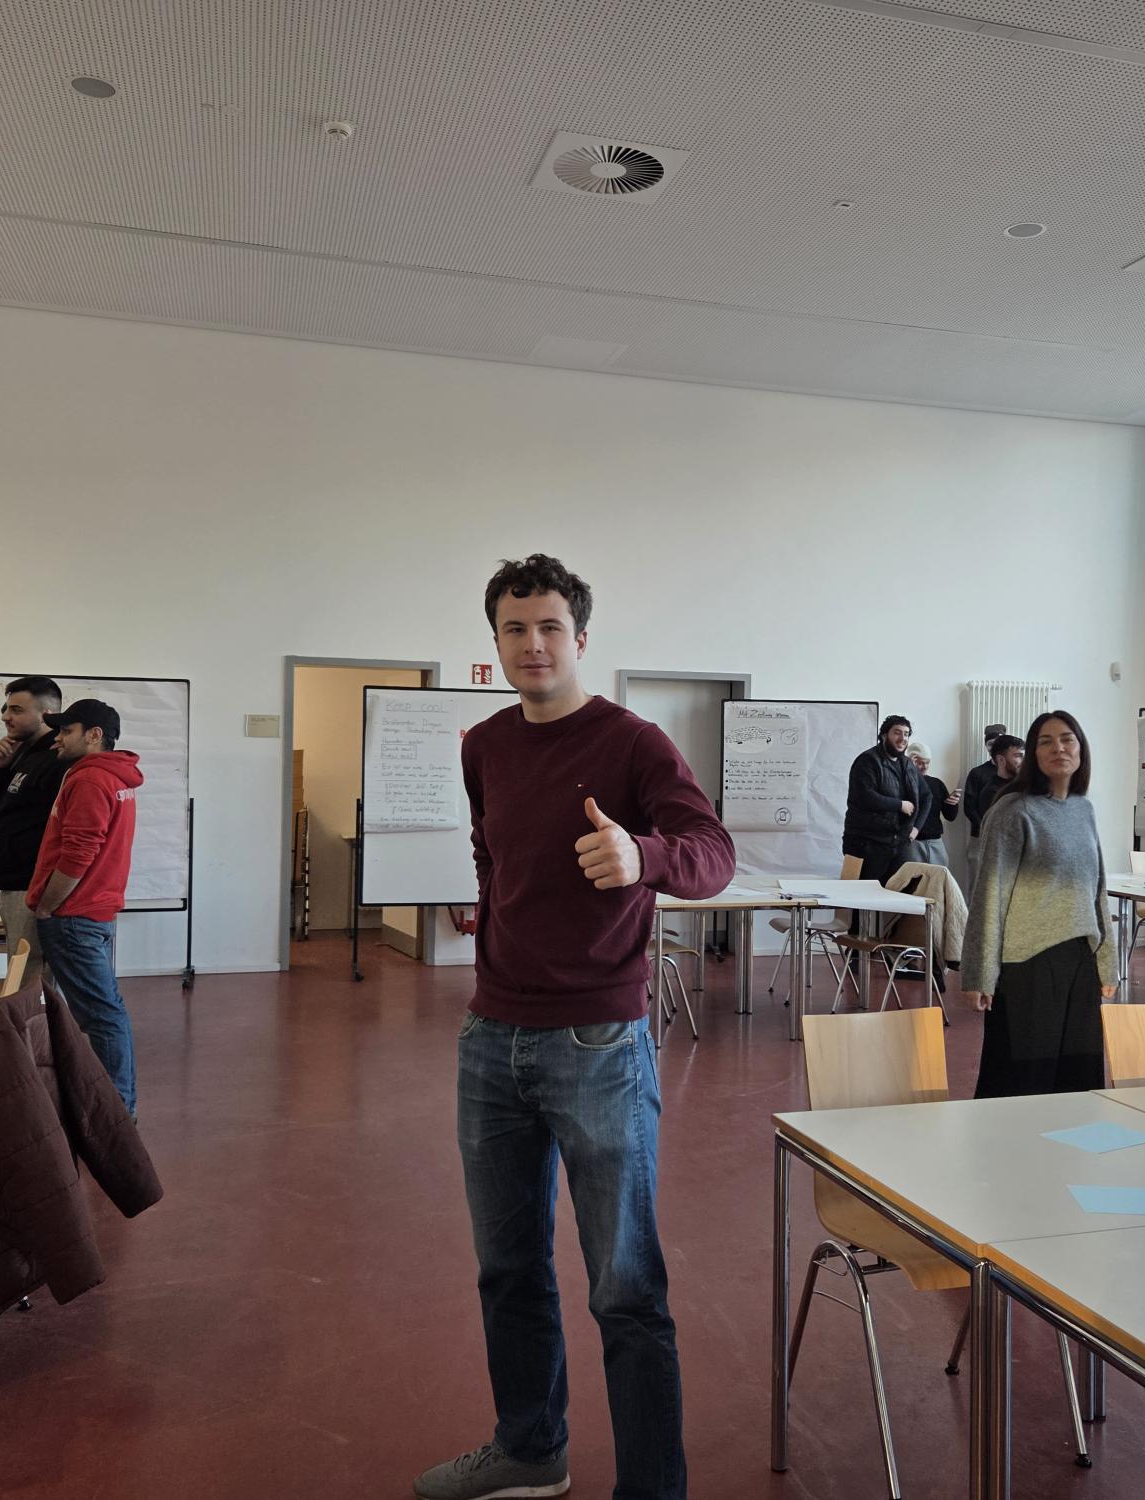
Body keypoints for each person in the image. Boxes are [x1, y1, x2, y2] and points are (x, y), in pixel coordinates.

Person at [417, 555, 734, 1500]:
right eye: (514, 630)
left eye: (550, 627)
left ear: (581, 638)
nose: (533, 645)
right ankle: (530, 1450)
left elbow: (713, 854)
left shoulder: (634, 744)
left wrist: (644, 856)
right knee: (507, 1269)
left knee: (626, 1289)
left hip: (598, 1042)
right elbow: (490, 852)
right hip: (491, 1037)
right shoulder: (484, 745)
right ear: (496, 641)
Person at [962, 710, 1116, 1097]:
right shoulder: (1013, 810)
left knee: (1078, 1083)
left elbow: (1097, 890)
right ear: (1032, 754)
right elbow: (989, 894)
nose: (1057, 748)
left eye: (1066, 739)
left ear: (1081, 749)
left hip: (1079, 962)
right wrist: (979, 973)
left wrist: (1106, 963)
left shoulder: (1083, 809)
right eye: (1045, 742)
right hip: (1027, 966)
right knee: (1022, 1085)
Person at [26, 699, 142, 1113]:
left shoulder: (91, 779)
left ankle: (115, 1110)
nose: (56, 739)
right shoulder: (115, 777)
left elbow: (78, 853)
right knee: (105, 1010)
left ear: (94, 735)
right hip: (92, 912)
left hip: (74, 915)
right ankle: (117, 1104)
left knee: (101, 1014)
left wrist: (47, 906)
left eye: (66, 731)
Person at [0, 676, 70, 973]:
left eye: (16, 710)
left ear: (47, 715)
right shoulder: (21, 752)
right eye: (6, 708)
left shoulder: (58, 758)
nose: (6, 716)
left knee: (29, 974)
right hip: (13, 884)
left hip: (33, 884)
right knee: (23, 970)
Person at [842, 715, 921, 885]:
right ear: (884, 735)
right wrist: (899, 805)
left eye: (906, 734)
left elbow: (926, 796)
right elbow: (864, 796)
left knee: (897, 893)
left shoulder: (907, 764)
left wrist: (916, 827)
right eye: (897, 733)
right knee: (862, 895)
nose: (902, 738)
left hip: (897, 842)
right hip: (865, 842)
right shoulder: (867, 760)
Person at [903, 743, 959, 868]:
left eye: (927, 762)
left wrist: (953, 803)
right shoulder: (903, 783)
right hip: (912, 843)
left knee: (940, 878)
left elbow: (950, 816)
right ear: (911, 761)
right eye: (920, 763)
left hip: (935, 842)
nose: (925, 767)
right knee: (912, 879)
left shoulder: (937, 784)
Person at [960, 725, 1014, 838]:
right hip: (981, 834)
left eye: (998, 743)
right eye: (990, 744)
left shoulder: (1015, 772)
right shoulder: (977, 773)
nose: (994, 747)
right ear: (986, 746)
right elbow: (969, 807)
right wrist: (984, 827)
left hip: (1009, 834)